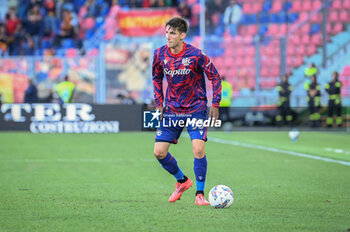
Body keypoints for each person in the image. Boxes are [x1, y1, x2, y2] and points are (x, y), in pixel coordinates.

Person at [152, 17, 221, 205]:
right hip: (172, 110)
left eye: (172, 33)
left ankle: (200, 194)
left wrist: (215, 103)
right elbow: (156, 77)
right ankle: (182, 181)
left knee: (198, 148)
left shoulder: (196, 55)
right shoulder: (159, 54)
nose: (168, 36)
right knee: (159, 152)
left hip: (196, 108)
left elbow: (215, 76)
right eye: (167, 32)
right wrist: (159, 102)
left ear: (182, 35)